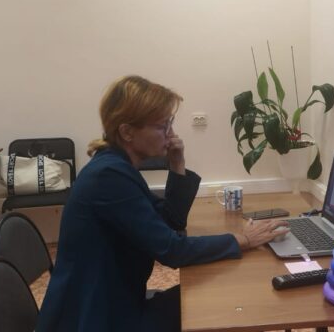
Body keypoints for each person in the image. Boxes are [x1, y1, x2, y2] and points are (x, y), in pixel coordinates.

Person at [36, 75, 289, 331]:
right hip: (98, 320)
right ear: (127, 132)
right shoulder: (108, 176)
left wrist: (177, 164)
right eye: (162, 126)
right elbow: (172, 251)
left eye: (170, 123)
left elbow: (171, 222)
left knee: (211, 294)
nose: (171, 134)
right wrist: (242, 239)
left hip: (111, 306)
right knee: (215, 301)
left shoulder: (116, 167)